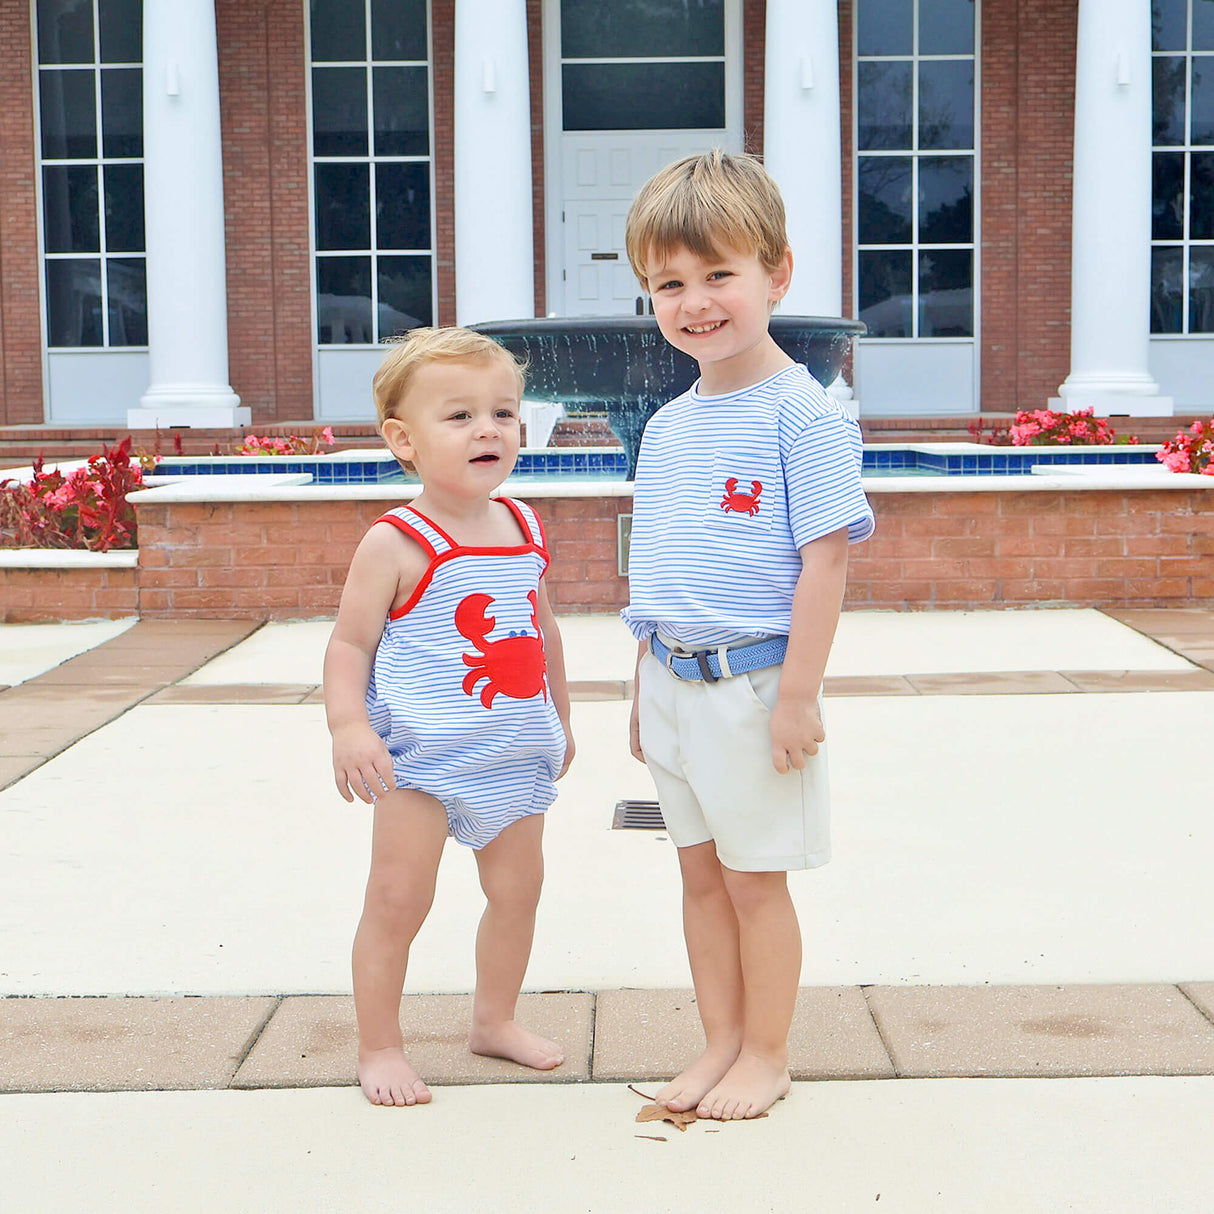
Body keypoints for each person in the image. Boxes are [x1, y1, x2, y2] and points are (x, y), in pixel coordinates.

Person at [621, 150, 874, 1121]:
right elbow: (660, 567)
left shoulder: (803, 417)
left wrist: (799, 697)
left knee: (752, 881)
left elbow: (826, 562)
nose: (693, 302)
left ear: (777, 273)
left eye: (717, 274)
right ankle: (718, 1038)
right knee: (696, 875)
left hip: (754, 689)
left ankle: (765, 1052)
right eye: (667, 284)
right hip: (672, 683)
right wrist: (640, 682)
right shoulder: (668, 424)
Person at [323, 326, 575, 1107]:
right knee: (399, 901)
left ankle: (493, 1020)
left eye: (502, 412)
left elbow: (543, 628)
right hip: (422, 765)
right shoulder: (396, 541)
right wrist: (348, 728)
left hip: (513, 753)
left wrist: (560, 716)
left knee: (519, 894)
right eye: (459, 416)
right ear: (404, 439)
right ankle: (381, 1045)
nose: (488, 429)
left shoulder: (523, 527)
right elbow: (348, 644)